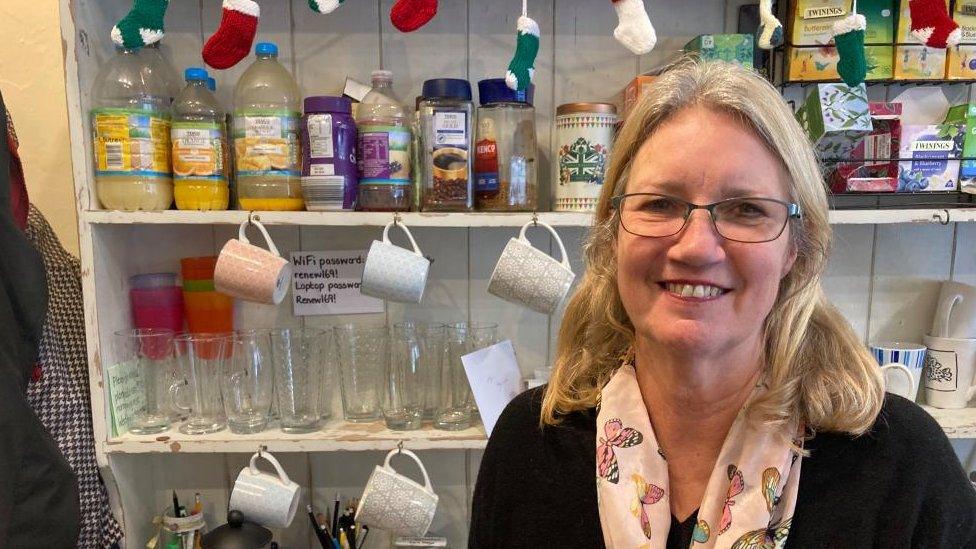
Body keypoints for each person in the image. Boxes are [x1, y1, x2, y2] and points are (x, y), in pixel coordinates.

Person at [469, 59, 976, 548]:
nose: (695, 247)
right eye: (660, 204)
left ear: (794, 250)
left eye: (745, 210)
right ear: (612, 234)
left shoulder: (903, 468)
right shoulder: (530, 446)